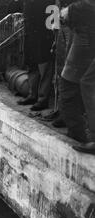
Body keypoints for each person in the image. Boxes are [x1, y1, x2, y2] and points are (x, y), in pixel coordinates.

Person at [58, 0, 95, 152]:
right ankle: (77, 131)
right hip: (81, 29)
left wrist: (70, 10)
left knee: (85, 83)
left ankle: (80, 132)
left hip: (86, 31)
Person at [17, 0, 56, 111]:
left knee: (44, 67)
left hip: (44, 33)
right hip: (30, 32)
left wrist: (53, 34)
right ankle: (32, 95)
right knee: (32, 64)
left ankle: (42, 100)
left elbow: (53, 10)